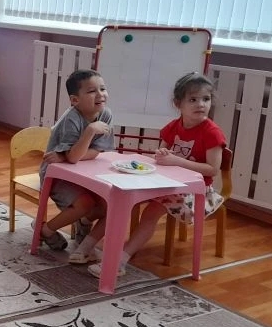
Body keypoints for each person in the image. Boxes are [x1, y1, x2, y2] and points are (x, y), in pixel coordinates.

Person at [89, 72, 226, 278]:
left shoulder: (212, 132)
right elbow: (162, 154)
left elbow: (212, 170)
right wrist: (162, 155)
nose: (200, 104)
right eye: (193, 99)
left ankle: (119, 260)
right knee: (123, 198)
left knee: (151, 212)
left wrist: (177, 161)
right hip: (168, 183)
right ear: (178, 104)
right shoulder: (173, 127)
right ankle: (89, 245)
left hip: (196, 192)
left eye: (205, 99)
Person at [39, 69, 114, 264]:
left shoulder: (105, 114)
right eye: (91, 91)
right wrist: (90, 131)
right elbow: (73, 158)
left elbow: (94, 152)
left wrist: (69, 156)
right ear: (75, 100)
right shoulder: (72, 118)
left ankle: (84, 224)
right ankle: (45, 230)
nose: (100, 95)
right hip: (56, 174)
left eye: (102, 88)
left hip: (84, 171)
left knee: (108, 205)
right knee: (85, 203)